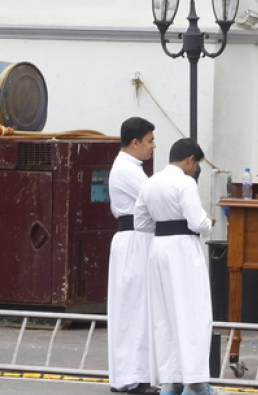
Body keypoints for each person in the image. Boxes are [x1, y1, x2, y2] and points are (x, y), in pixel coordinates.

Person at [134, 139, 214, 395]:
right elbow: (196, 222)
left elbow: (141, 223)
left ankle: (170, 380)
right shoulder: (185, 182)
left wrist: (164, 223)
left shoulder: (150, 182)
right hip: (182, 250)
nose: (195, 170)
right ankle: (195, 382)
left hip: (159, 248)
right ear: (190, 159)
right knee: (192, 313)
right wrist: (208, 220)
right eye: (196, 164)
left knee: (165, 315)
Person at [107, 117, 159, 394]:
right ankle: (132, 376)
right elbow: (154, 198)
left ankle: (138, 373)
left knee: (138, 307)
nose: (153, 146)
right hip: (134, 240)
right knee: (134, 308)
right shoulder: (127, 170)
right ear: (136, 142)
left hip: (139, 239)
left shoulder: (132, 167)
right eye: (150, 141)